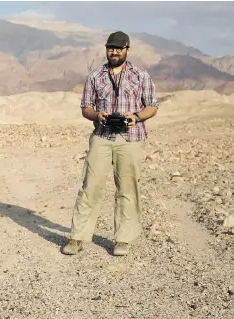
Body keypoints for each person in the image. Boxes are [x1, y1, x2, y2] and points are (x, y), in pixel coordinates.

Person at [61, 31, 159, 256]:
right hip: (102, 137)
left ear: (127, 50)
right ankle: (77, 237)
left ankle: (123, 239)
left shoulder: (141, 76)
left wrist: (136, 116)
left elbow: (152, 106)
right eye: (110, 48)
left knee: (127, 189)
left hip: (131, 139)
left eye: (118, 48)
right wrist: (98, 116)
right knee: (90, 187)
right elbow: (86, 108)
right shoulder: (95, 75)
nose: (114, 52)